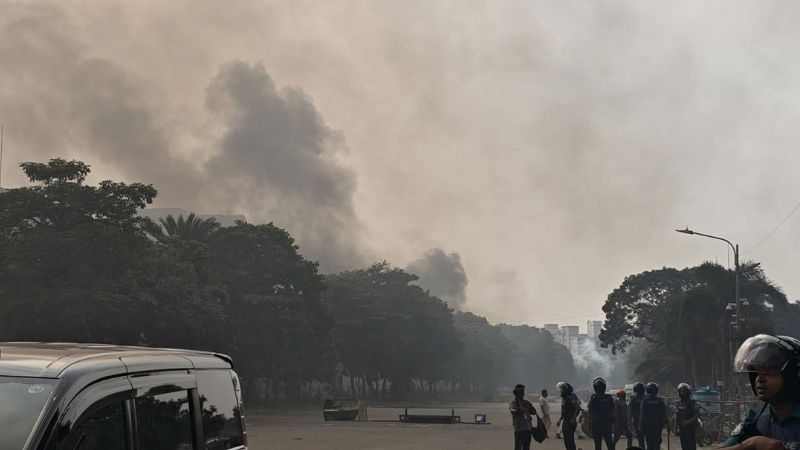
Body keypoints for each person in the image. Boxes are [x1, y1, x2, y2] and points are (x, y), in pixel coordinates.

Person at [723, 334, 800, 450]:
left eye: (770, 372)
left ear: (793, 376)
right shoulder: (756, 423)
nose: (759, 379)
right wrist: (750, 444)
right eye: (757, 373)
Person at [638, 382, 671, 450]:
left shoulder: (645, 400)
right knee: (657, 443)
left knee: (649, 443)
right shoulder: (660, 400)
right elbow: (664, 414)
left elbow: (642, 413)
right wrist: (668, 425)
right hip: (658, 425)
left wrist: (640, 425)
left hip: (647, 425)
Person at [587, 377, 616, 450]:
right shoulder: (609, 397)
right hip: (607, 422)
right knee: (609, 442)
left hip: (596, 423)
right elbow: (613, 411)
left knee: (597, 443)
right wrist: (614, 421)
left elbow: (589, 411)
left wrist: (588, 423)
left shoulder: (594, 397)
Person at [557, 381, 583, 450]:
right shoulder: (564, 398)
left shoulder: (571, 397)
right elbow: (564, 410)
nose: (561, 391)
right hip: (565, 420)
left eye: (562, 389)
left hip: (570, 421)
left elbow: (578, 408)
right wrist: (560, 419)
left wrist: (573, 418)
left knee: (569, 440)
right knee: (566, 440)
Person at [510, 383, 536, 450]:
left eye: (522, 391)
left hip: (527, 428)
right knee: (518, 447)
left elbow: (533, 412)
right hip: (519, 429)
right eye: (520, 391)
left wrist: (530, 405)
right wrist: (517, 410)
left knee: (526, 447)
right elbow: (512, 410)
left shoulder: (526, 402)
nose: (521, 394)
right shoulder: (514, 402)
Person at [675, 383, 700, 450]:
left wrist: (688, 422)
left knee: (691, 446)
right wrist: (676, 428)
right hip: (681, 428)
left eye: (684, 391)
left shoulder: (692, 402)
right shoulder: (679, 403)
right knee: (684, 445)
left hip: (690, 428)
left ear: (688, 392)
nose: (682, 393)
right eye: (681, 391)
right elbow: (677, 416)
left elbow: (697, 414)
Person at [628, 382, 646, 449]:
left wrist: (629, 424)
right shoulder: (646, 398)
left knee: (640, 440)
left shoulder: (633, 399)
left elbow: (629, 413)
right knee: (649, 440)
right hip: (647, 421)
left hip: (637, 421)